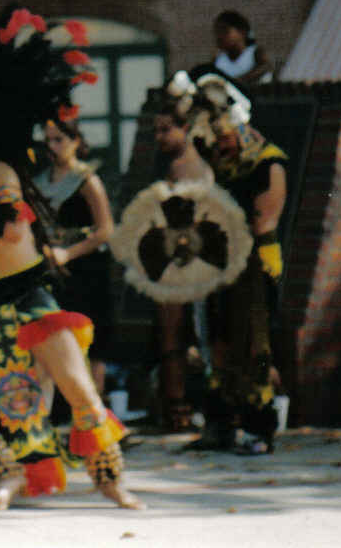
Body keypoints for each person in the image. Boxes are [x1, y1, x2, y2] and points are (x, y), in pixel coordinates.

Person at [0, 2, 144, 512]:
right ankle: (6, 472)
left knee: (80, 391)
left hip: (31, 300)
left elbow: (14, 230)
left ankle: (109, 479)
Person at [179, 73, 287, 455]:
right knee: (217, 343)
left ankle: (259, 427)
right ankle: (219, 425)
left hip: (255, 262)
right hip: (218, 262)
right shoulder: (217, 162)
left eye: (223, 136)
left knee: (252, 343)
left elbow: (263, 220)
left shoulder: (267, 161)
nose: (220, 144)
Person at [33, 119, 116, 399]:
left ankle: (95, 414)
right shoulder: (40, 180)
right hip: (52, 268)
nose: (53, 147)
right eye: (48, 141)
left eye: (59, 140)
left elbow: (105, 229)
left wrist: (68, 253)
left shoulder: (86, 179)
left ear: (75, 142)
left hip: (86, 266)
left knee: (90, 339)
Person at [150, 93, 214, 431]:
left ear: (184, 129)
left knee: (181, 337)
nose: (160, 137)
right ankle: (177, 407)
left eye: (165, 130)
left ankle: (183, 408)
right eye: (156, 131)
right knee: (175, 337)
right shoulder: (179, 165)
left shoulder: (189, 167)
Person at [212, 10, 271, 84]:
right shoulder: (218, 60)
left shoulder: (255, 52)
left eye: (225, 31)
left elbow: (266, 66)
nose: (220, 36)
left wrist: (239, 81)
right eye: (217, 32)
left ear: (242, 31)